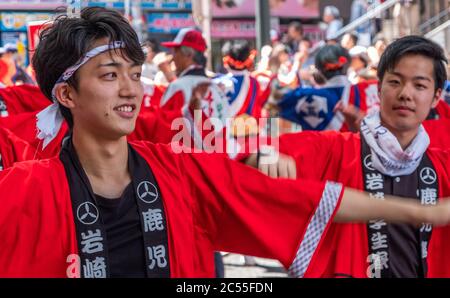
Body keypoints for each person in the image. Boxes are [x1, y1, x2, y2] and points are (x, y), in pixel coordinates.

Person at [3, 8, 450, 279]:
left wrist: (425, 213)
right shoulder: (24, 190)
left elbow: (291, 196)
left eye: (135, 75)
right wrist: (258, 151)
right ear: (65, 94)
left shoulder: (177, 167)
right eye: (110, 75)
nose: (131, 90)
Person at [253, 35, 450, 277]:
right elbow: (247, 152)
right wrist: (263, 155)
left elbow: (274, 100)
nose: (405, 94)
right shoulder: (338, 151)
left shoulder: (443, 167)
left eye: (419, 85)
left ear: (436, 96)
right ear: (378, 88)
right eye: (395, 82)